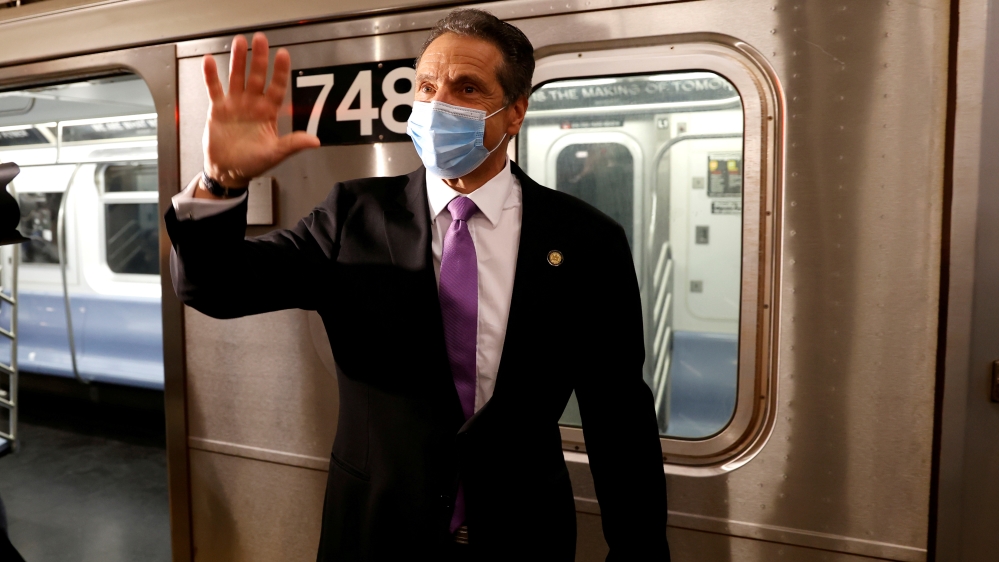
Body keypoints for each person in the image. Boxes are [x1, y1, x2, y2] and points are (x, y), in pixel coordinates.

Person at [165, 9, 668, 561]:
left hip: (525, 536)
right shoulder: (352, 217)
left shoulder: (586, 241)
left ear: (515, 112)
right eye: (426, 86)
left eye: (466, 88)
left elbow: (619, 418)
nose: (437, 104)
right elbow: (215, 287)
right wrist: (222, 181)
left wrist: (640, 551)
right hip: (376, 532)